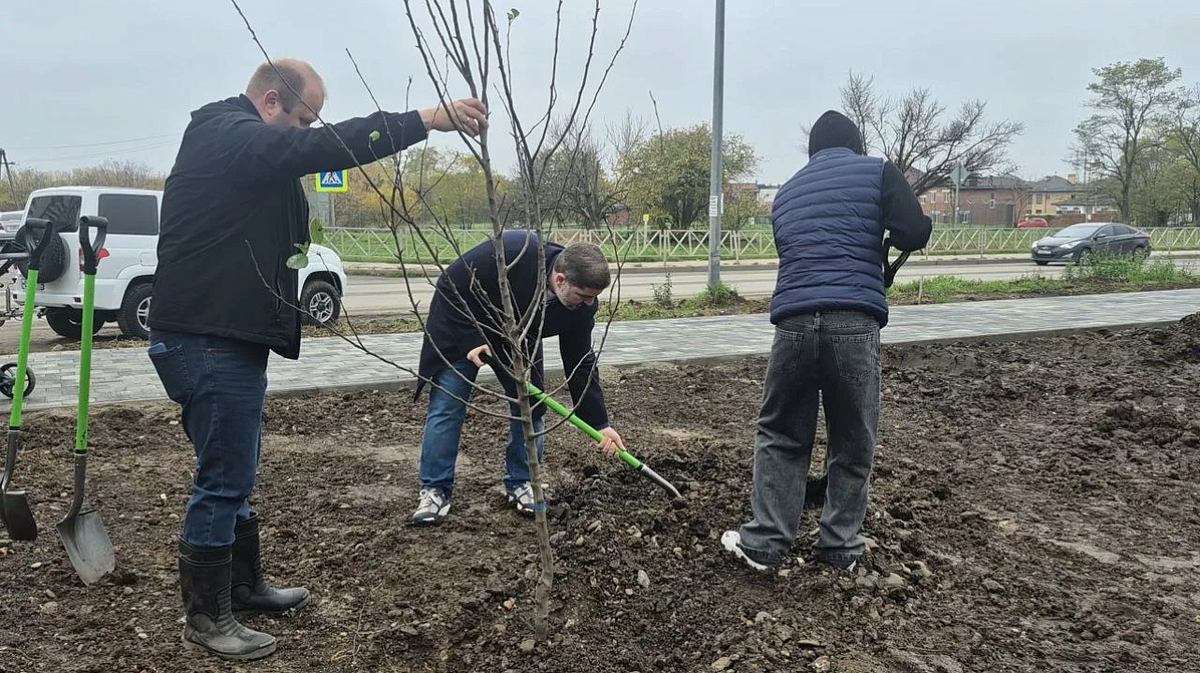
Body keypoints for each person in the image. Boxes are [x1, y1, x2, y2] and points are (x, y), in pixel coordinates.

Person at [146, 58, 488, 661]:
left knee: (237, 468)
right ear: (272, 100)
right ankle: (205, 616)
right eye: (303, 120)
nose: (306, 133)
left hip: (229, 336)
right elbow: (316, 153)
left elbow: (288, 192)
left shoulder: (247, 153)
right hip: (206, 338)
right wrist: (423, 120)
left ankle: (243, 587)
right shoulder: (222, 133)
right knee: (223, 477)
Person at [721, 110, 931, 573]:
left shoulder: (789, 190)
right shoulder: (876, 171)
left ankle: (766, 543)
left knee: (780, 432)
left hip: (793, 325)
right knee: (853, 437)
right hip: (853, 321)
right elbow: (914, 231)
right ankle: (839, 547)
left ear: (812, 151)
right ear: (855, 145)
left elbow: (791, 249)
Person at [410, 230, 626, 526]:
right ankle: (434, 490)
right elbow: (451, 283)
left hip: (517, 340)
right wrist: (471, 337)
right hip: (461, 325)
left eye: (594, 298)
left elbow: (580, 361)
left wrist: (599, 423)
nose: (589, 304)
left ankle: (523, 483)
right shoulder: (514, 252)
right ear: (560, 280)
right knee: (448, 404)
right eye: (584, 296)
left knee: (532, 407)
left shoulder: (582, 305)